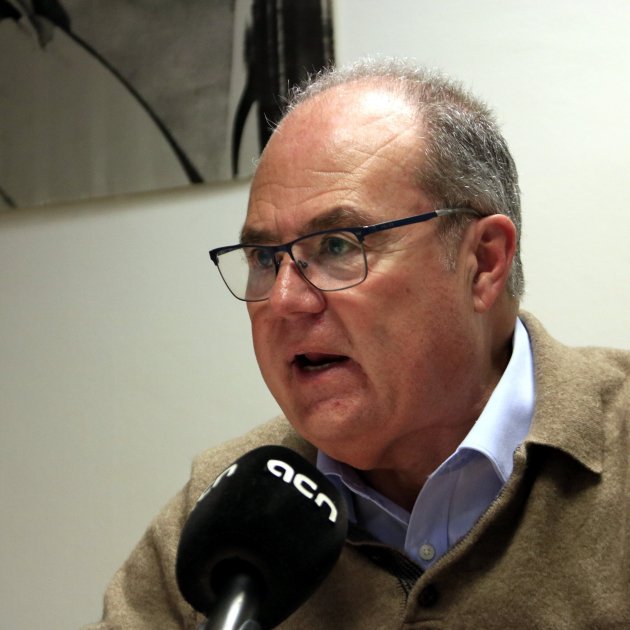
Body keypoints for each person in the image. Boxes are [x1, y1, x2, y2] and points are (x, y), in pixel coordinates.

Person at [85, 59, 630, 629]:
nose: (284, 300)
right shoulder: (225, 516)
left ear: (483, 262)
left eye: (338, 245)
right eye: (265, 258)